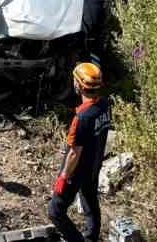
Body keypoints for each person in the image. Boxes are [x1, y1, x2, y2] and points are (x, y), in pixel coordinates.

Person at [48, 62, 112, 242]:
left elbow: (74, 153)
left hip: (77, 171)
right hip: (94, 164)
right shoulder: (105, 105)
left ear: (78, 85)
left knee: (55, 211)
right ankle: (92, 237)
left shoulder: (82, 118)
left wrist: (63, 177)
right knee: (90, 199)